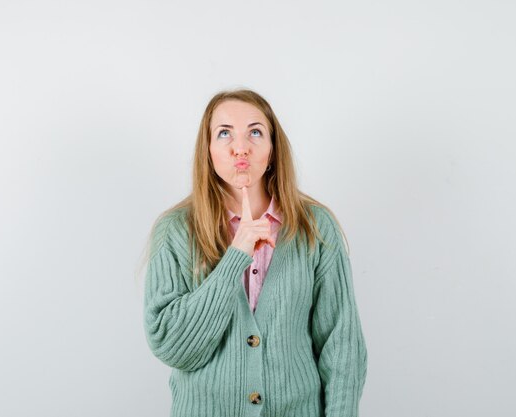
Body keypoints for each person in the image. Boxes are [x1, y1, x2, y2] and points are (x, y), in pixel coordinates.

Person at [141, 88, 367, 416]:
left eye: (255, 132)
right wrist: (237, 253)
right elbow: (172, 345)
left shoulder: (315, 227)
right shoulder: (175, 230)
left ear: (273, 149)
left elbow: (342, 347)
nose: (240, 147)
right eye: (224, 134)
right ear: (208, 150)